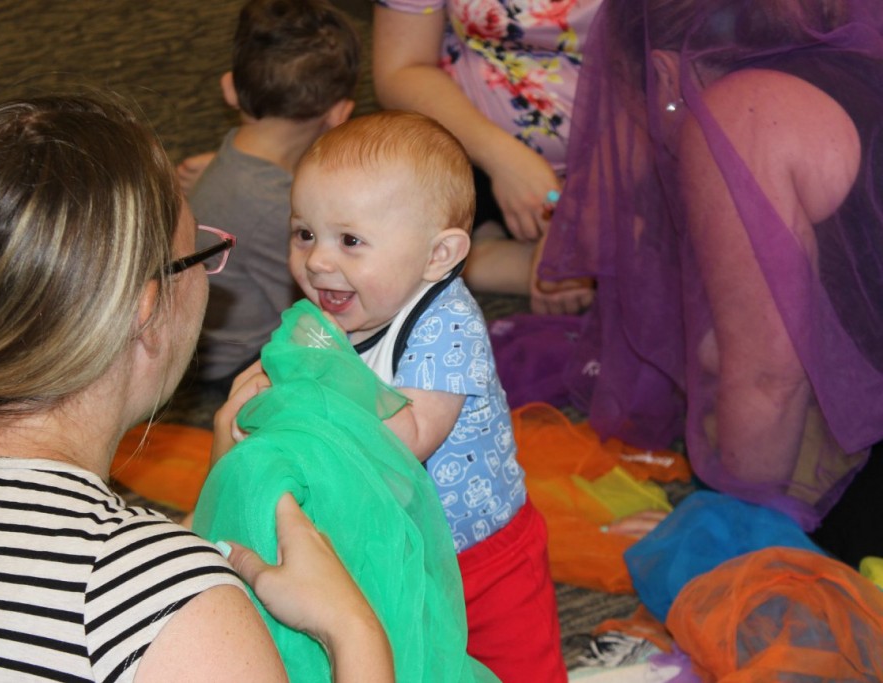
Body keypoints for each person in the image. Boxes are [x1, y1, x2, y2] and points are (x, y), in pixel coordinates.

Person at [0, 94, 393, 682]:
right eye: (200, 254)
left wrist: (198, 520)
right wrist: (352, 631)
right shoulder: (178, 618)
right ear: (145, 312)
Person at [539, 0, 883, 563]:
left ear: (664, 73)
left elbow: (770, 379)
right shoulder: (849, 63)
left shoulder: (738, 114)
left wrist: (729, 523)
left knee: (716, 572)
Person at [288, 110, 566, 683]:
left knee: (517, 666)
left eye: (350, 240)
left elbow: (408, 438)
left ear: (437, 256)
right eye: (304, 233)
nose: (317, 260)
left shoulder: (447, 325)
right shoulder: (332, 310)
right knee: (414, 658)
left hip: (482, 553)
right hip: (396, 544)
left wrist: (310, 412)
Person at [371, 0, 600, 313]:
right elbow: (402, 69)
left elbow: (668, 87)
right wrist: (504, 159)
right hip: (467, 141)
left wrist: (580, 211)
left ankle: (490, 260)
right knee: (360, 208)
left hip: (628, 156)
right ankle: (518, 262)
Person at [179, 0, 360, 387]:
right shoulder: (279, 208)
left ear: (230, 89)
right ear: (339, 113)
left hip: (213, 334)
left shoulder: (242, 155)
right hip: (239, 358)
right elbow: (329, 296)